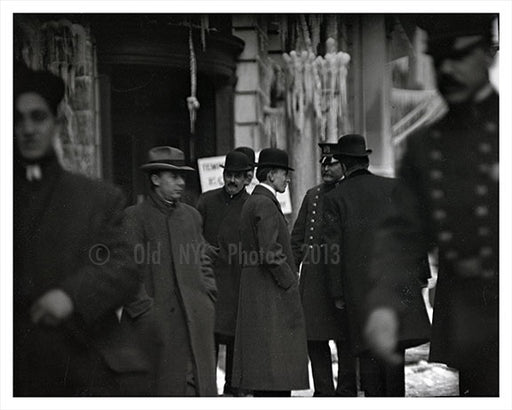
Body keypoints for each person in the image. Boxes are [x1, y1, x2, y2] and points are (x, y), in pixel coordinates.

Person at [364, 14, 499, 397]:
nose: (447, 71)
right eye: (438, 61)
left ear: (488, 56)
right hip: (468, 317)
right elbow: (401, 235)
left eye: (459, 57)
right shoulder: (426, 147)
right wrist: (383, 303)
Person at [13, 66, 140, 396]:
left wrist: (71, 295)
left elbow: (124, 265)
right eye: (17, 119)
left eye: (37, 117)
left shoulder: (96, 199)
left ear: (56, 123)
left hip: (76, 370)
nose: (27, 129)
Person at [324, 134, 431, 397]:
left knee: (368, 359)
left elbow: (332, 251)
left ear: (345, 164)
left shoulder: (336, 198)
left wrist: (337, 293)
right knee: (394, 355)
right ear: (365, 160)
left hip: (359, 292)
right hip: (395, 287)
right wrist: (422, 273)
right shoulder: (394, 187)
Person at [123, 146, 218, 396]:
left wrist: (207, 296)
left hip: (194, 323)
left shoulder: (192, 216)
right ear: (155, 179)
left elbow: (203, 258)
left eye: (183, 177)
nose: (180, 183)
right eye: (173, 176)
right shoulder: (134, 218)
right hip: (154, 328)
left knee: (195, 387)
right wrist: (145, 312)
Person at [232, 148, 309, 397]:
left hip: (258, 288)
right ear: (272, 174)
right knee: (274, 371)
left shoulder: (254, 201)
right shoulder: (264, 204)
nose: (287, 179)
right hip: (270, 291)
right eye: (285, 174)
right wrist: (290, 282)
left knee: (265, 368)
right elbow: (270, 251)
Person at [290, 143, 358, 396]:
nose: (326, 168)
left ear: (344, 166)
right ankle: (324, 393)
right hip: (315, 281)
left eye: (332, 163)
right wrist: (291, 272)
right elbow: (297, 239)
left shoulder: (351, 193)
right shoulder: (313, 195)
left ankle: (347, 392)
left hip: (342, 279)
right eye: (323, 163)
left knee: (346, 340)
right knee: (315, 340)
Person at [196, 150, 253, 396]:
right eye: (229, 175)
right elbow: (192, 232)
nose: (232, 181)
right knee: (208, 338)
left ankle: (232, 389)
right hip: (208, 280)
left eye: (237, 176)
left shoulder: (251, 205)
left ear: (246, 178)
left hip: (237, 280)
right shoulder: (207, 201)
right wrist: (204, 248)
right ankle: (207, 390)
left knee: (234, 340)